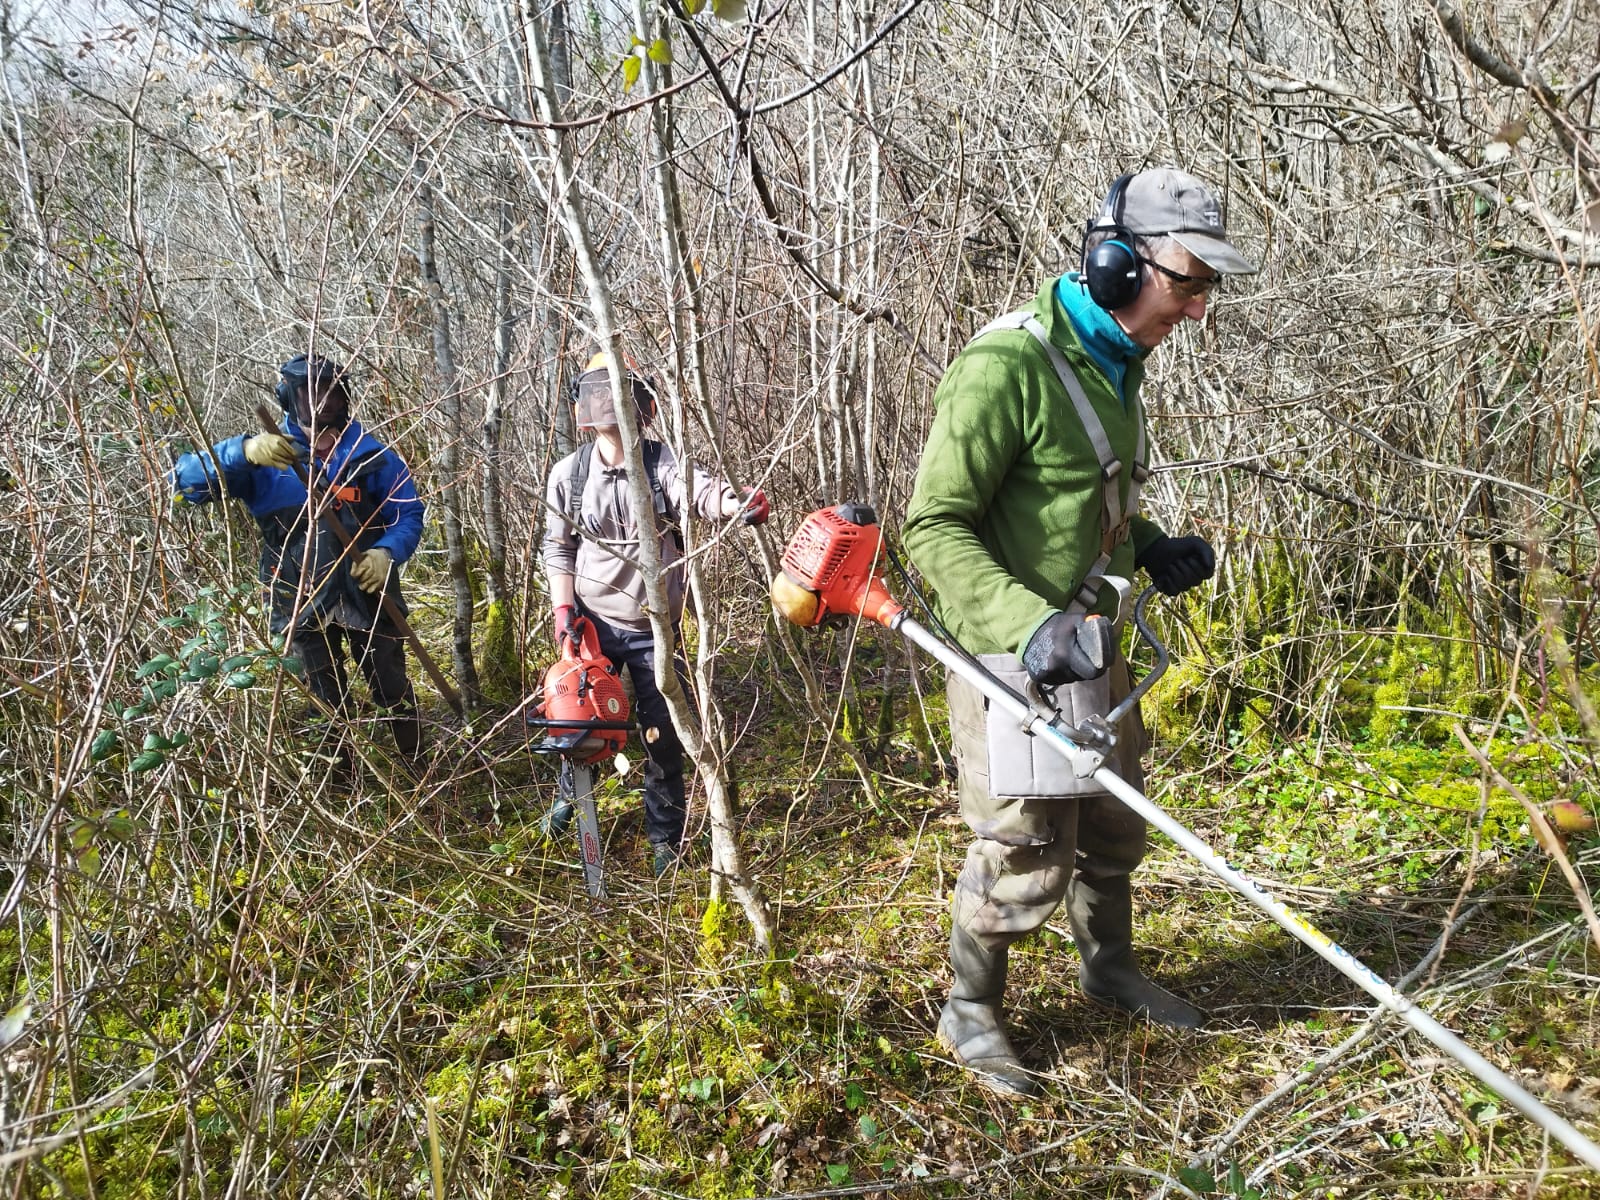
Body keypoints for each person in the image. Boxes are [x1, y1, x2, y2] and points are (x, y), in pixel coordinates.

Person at [903, 167, 1256, 1097]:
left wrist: (1149, 546)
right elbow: (932, 527)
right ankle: (970, 1010)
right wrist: (1028, 629)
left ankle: (1108, 966)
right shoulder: (1004, 367)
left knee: (1112, 821)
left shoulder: (1116, 365)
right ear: (1115, 265)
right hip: (1012, 651)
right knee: (1025, 846)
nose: (1196, 311)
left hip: (1093, 646)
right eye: (1186, 285)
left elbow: (1077, 500)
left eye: (1204, 290)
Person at [540, 352, 768, 876]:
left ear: (640, 404)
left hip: (654, 629)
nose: (608, 406)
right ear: (587, 403)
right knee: (577, 723)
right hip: (591, 625)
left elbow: (701, 490)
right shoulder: (568, 476)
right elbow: (559, 549)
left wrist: (736, 504)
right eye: (599, 395)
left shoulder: (662, 463)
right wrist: (563, 610)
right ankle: (567, 801)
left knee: (661, 735)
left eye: (618, 395)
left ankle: (664, 836)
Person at [171, 353, 426, 765]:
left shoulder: (373, 456)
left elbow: (409, 514)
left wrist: (387, 552)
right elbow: (184, 482)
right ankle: (341, 786)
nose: (320, 401)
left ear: (344, 394)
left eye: (329, 389)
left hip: (369, 593)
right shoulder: (268, 460)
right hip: (297, 596)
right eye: (309, 391)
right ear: (288, 397)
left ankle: (419, 769)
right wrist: (244, 451)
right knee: (322, 702)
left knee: (392, 684)